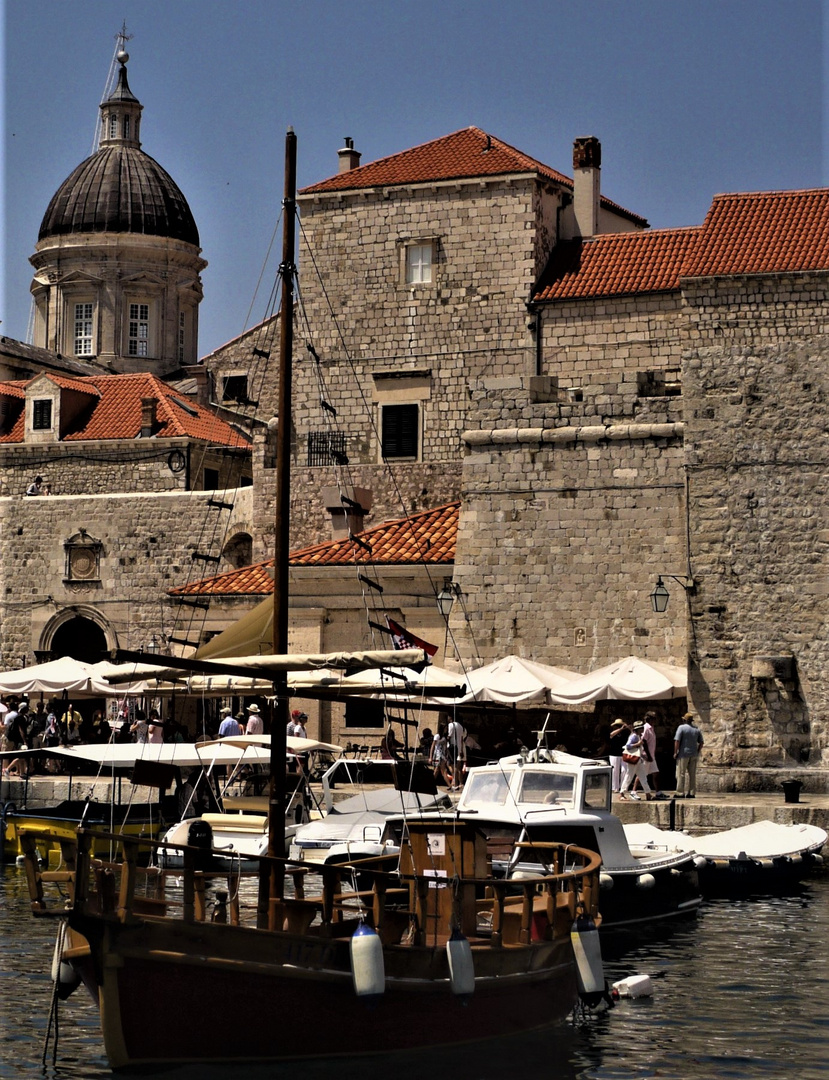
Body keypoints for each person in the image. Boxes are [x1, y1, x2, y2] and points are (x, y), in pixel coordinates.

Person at [674, 711, 704, 798]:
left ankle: (680, 792)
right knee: (692, 774)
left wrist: (675, 752)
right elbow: (701, 743)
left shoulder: (681, 728)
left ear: (685, 720)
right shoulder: (696, 729)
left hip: (683, 754)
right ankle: (691, 792)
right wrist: (697, 751)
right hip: (693, 754)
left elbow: (677, 741)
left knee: (681, 773)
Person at [618, 729, 653, 801]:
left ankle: (648, 793)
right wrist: (638, 744)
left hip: (638, 761)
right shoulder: (633, 736)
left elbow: (638, 750)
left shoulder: (638, 736)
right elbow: (628, 746)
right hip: (633, 761)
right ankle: (622, 793)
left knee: (643, 777)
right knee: (629, 776)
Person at [633, 714, 662, 797]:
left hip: (651, 755)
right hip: (646, 755)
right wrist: (648, 755)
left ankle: (658, 792)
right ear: (649, 719)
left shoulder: (651, 728)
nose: (655, 721)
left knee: (655, 773)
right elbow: (644, 742)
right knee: (642, 774)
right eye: (654, 719)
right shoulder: (646, 728)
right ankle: (634, 790)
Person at [608, 718, 630, 793]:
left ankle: (623, 787)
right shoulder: (613, 732)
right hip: (614, 754)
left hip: (623, 753)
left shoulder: (626, 733)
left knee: (624, 770)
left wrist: (628, 728)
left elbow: (633, 734)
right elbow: (611, 735)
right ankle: (615, 787)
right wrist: (620, 729)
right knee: (615, 771)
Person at [429, 723, 454, 789]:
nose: (446, 730)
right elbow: (433, 746)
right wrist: (430, 757)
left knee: (438, 771)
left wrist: (448, 756)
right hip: (438, 755)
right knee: (443, 771)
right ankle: (449, 785)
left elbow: (445, 748)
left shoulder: (444, 737)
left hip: (442, 756)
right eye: (445, 728)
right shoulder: (437, 736)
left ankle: (431, 783)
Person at [446, 716, 466, 786]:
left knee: (450, 765)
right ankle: (461, 783)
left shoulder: (451, 725)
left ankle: (455, 782)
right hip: (459, 747)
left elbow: (449, 735)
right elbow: (461, 738)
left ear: (451, 717)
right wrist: (461, 750)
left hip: (452, 747)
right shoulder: (460, 726)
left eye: (448, 717)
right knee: (459, 767)